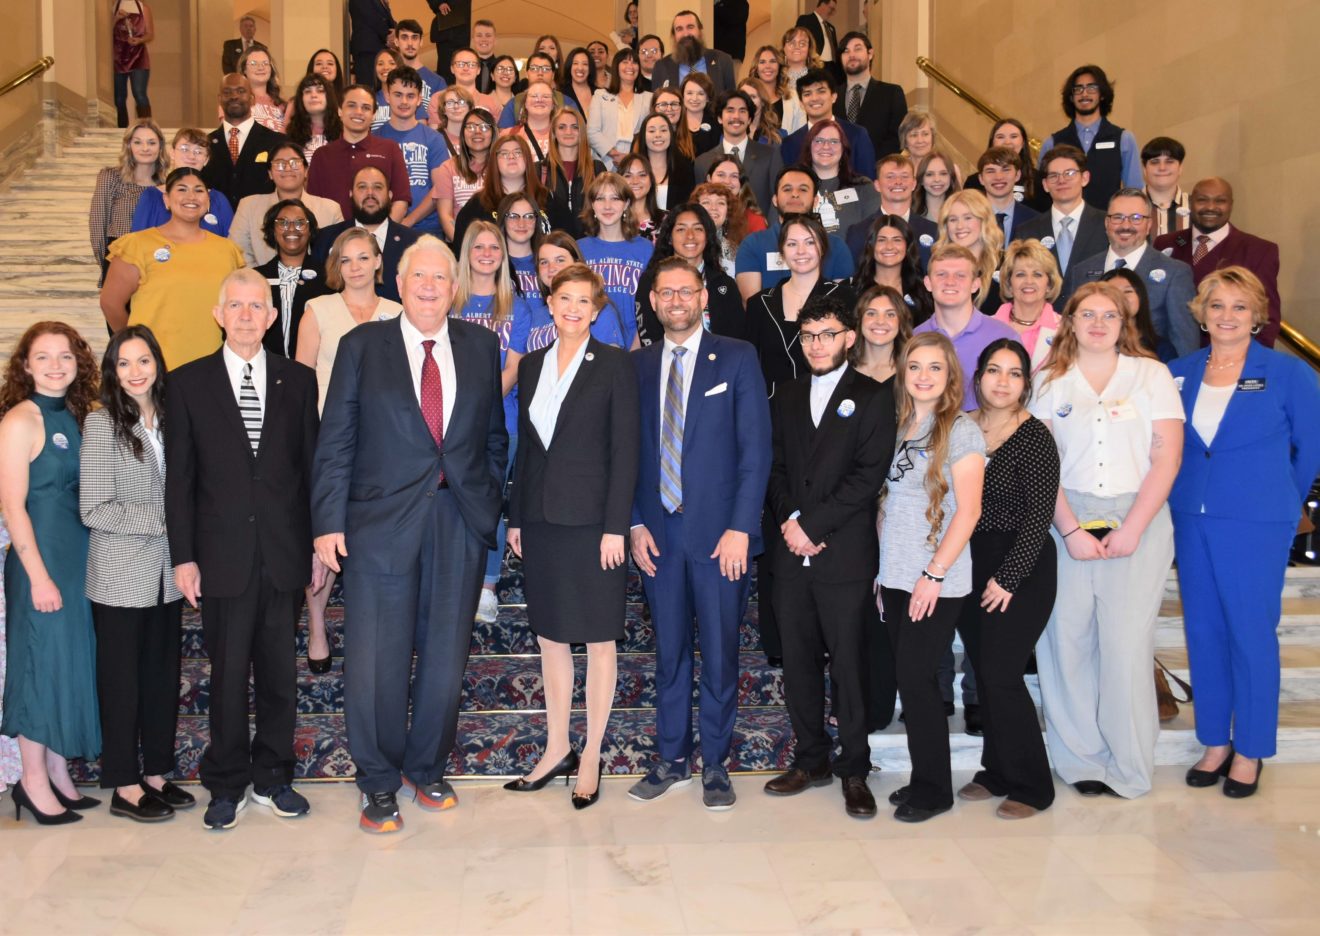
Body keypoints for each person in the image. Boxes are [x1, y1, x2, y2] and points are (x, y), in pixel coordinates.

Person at [312, 235, 508, 833]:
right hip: (379, 527)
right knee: (376, 659)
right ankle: (376, 780)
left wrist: (486, 501)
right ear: (400, 284)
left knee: (447, 657)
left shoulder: (480, 345)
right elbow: (336, 440)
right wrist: (327, 523)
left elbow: (494, 438)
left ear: (454, 288)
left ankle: (426, 766)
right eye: (418, 276)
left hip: (458, 523)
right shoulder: (360, 345)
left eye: (439, 277)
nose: (429, 286)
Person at [165, 268, 320, 830]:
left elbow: (312, 472)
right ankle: (225, 783)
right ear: (219, 313)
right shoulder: (186, 384)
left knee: (279, 674)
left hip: (282, 554)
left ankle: (274, 777)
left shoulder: (299, 382)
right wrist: (183, 556)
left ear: (273, 315)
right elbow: (178, 481)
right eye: (237, 305)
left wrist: (316, 545)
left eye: (258, 305)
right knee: (227, 677)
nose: (248, 315)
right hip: (220, 557)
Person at [1169, 267, 1320, 799]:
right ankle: (1214, 740)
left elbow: (1311, 450)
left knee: (1251, 634)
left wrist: (1279, 500)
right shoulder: (1178, 372)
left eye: (1238, 306)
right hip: (1190, 518)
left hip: (1257, 523)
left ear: (1257, 316)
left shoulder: (1287, 373)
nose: (1226, 315)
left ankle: (1251, 748)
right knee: (1204, 630)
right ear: (1201, 313)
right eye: (1216, 305)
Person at [625, 256, 770, 809]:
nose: (677, 301)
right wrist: (635, 522)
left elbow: (755, 452)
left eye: (687, 291)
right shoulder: (636, 367)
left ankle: (715, 764)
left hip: (718, 539)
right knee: (669, 653)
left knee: (720, 650)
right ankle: (671, 759)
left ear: (704, 297)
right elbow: (629, 453)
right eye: (667, 293)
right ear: (654, 302)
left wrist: (740, 528)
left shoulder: (736, 357)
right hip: (658, 534)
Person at [1029, 280, 1184, 799]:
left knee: (1125, 647)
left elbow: (1166, 458)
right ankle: (1080, 762)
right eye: (1087, 314)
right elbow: (1041, 463)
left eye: (1109, 316)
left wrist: (1133, 528)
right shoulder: (1050, 380)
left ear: (1125, 324)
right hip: (1065, 517)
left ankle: (1130, 765)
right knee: (1065, 645)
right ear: (1069, 321)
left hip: (1136, 516)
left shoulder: (1152, 375)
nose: (1098, 324)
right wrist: (1069, 529)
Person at [500, 262, 637, 808]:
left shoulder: (614, 366)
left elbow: (625, 452)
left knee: (599, 639)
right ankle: (556, 746)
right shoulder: (531, 366)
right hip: (540, 520)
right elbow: (528, 451)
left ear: (597, 309)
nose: (574, 308)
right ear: (549, 303)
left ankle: (591, 753)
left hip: (593, 525)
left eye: (585, 300)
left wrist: (615, 528)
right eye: (565, 298)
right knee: (550, 638)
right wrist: (515, 517)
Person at [762, 293, 893, 819]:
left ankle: (854, 768)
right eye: (809, 335)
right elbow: (772, 468)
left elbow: (868, 476)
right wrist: (791, 522)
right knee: (798, 662)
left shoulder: (875, 395)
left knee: (849, 666)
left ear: (849, 338)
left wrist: (813, 526)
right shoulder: (786, 395)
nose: (817, 345)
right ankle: (810, 758)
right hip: (791, 555)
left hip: (844, 555)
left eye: (828, 334)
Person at [80, 326, 193, 823]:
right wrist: (168, 521)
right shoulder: (102, 425)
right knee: (122, 683)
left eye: (143, 360)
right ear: (112, 370)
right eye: (123, 363)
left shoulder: (172, 420)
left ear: (157, 364)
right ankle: (125, 784)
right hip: (120, 575)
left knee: (161, 679)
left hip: (167, 577)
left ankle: (157, 775)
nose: (134, 372)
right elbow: (94, 509)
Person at [878, 330, 985, 822]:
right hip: (897, 574)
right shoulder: (898, 423)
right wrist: (884, 574)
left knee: (919, 680)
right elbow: (887, 505)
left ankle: (935, 789)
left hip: (935, 579)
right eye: (915, 366)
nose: (923, 376)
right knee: (909, 677)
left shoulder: (959, 429)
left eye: (934, 368)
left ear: (950, 376)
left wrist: (933, 574)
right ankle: (925, 777)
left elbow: (968, 511)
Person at [0, 323, 101, 825]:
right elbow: (13, 507)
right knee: (38, 667)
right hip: (38, 561)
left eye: (65, 356)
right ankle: (31, 781)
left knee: (64, 664)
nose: (56, 365)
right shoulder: (20, 419)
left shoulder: (80, 417)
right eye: (43, 357)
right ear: (25, 366)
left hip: (76, 555)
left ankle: (58, 772)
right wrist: (37, 576)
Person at [955, 339, 1060, 819]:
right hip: (969, 562)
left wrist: (1009, 578)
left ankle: (1032, 785)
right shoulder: (962, 428)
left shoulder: (1036, 436)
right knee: (983, 670)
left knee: (1001, 673)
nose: (1002, 381)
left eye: (1014, 373)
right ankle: (995, 771)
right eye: (994, 371)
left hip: (1023, 564)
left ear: (1025, 382)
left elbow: (1040, 518)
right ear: (978, 377)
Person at [294, 227, 402, 670]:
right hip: (330, 441)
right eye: (346, 259)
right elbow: (301, 383)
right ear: (336, 266)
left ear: (379, 262)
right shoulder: (317, 309)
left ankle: (370, 632)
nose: (355, 267)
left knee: (374, 543)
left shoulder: (400, 311)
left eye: (364, 257)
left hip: (386, 448)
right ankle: (317, 625)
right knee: (325, 539)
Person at [451, 223, 532, 624]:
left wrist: (475, 407)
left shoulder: (519, 306)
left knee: (490, 503)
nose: (486, 253)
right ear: (466, 253)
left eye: (493, 247)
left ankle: (486, 586)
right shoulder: (450, 300)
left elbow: (514, 369)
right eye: (478, 246)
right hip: (448, 425)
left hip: (504, 422)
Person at [102, 167, 246, 370]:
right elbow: (110, 303)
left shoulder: (227, 250)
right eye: (181, 189)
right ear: (166, 200)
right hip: (154, 369)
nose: (191, 196)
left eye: (199, 190)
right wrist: (133, 347)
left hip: (210, 366)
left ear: (208, 201)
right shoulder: (137, 244)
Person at [1062, 187, 1198, 360]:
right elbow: (1068, 335)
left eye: (1136, 218)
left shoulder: (1175, 273)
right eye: (1117, 217)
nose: (1126, 226)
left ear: (1149, 225)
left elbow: (1185, 345)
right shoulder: (1080, 271)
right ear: (1106, 223)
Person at [1154, 177, 1282, 348]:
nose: (1210, 207)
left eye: (1220, 201)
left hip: (1228, 357)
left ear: (1231, 204)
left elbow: (1267, 317)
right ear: (1191, 203)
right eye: (1202, 200)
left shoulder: (1259, 251)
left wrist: (1252, 365)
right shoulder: (1165, 244)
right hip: (1172, 358)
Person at [747, 213, 852, 398]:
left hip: (828, 406)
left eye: (810, 242)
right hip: (772, 410)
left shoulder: (845, 297)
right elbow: (750, 364)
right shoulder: (759, 303)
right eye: (792, 244)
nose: (801, 251)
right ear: (782, 252)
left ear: (822, 247)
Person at [913, 245, 1019, 410]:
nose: (950, 281)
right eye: (941, 274)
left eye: (960, 275)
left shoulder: (1005, 338)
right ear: (928, 283)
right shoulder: (914, 339)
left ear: (975, 284)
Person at [734, 166, 854, 300]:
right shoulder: (753, 244)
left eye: (803, 189)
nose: (795, 194)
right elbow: (751, 304)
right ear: (775, 200)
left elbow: (842, 304)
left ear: (815, 201)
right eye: (787, 189)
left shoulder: (836, 246)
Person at [635, 205, 746, 345]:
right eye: (681, 229)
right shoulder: (651, 281)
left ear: (707, 236)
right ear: (669, 237)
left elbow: (736, 339)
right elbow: (649, 335)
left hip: (718, 364)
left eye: (698, 229)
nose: (690, 236)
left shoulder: (724, 284)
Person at [312, 165, 422, 305]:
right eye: (362, 187)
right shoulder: (326, 238)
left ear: (389, 195)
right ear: (351, 194)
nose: (370, 193)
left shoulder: (414, 242)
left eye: (377, 187)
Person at [1039, 65, 1143, 209]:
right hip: (1064, 227)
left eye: (1091, 88)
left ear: (1102, 94)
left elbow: (1134, 193)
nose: (1084, 94)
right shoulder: (1052, 143)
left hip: (1107, 226)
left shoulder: (1124, 139)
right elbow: (1043, 195)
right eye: (1078, 89)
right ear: (1071, 97)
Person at [305, 84, 411, 222]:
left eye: (366, 108)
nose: (359, 112)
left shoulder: (390, 149)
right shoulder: (322, 155)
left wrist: (377, 235)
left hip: (379, 240)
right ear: (339, 111)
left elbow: (401, 201)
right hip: (333, 240)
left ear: (373, 116)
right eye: (351, 105)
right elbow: (313, 205)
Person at [230, 143, 343, 267]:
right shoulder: (249, 206)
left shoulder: (330, 209)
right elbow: (238, 254)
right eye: (279, 164)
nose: (288, 168)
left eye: (294, 162)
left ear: (306, 171)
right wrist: (261, 280)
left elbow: (337, 256)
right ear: (270, 173)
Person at [576, 171, 652, 349]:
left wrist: (638, 344)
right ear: (592, 205)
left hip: (635, 344)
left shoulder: (645, 249)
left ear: (626, 204)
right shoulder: (579, 248)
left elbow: (649, 304)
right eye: (600, 198)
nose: (607, 206)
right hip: (589, 343)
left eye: (615, 198)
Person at [1011, 145, 1108, 279]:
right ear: (1045, 184)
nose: (1061, 181)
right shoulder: (1026, 232)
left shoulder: (1107, 225)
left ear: (1085, 178)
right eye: (1053, 176)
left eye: (1069, 173)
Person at [375, 66, 451, 235]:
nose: (404, 102)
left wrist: (409, 221)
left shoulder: (433, 138)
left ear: (419, 99)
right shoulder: (375, 139)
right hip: (384, 228)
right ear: (387, 96)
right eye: (398, 95)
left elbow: (439, 188)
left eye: (410, 96)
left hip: (427, 229)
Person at [90, 119, 167, 285]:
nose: (145, 148)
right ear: (129, 146)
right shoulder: (110, 177)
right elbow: (97, 224)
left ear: (160, 147)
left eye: (151, 142)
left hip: (155, 263)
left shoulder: (167, 185)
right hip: (120, 258)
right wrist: (107, 264)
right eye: (138, 142)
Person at [452, 134, 556, 252]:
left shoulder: (547, 198)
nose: (511, 157)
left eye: (518, 152)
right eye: (504, 153)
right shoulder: (477, 204)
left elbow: (566, 242)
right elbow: (461, 250)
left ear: (528, 158)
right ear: (494, 162)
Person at [694, 90, 783, 225]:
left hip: (759, 235)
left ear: (749, 119)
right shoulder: (703, 162)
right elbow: (699, 206)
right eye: (730, 110)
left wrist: (769, 235)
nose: (736, 116)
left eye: (742, 111)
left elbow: (777, 199)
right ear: (719, 118)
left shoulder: (770, 156)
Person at [257, 199, 332, 359]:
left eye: (300, 223)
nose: (291, 228)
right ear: (272, 230)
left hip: (315, 373)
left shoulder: (329, 277)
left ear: (310, 230)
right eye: (282, 223)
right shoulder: (256, 278)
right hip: (266, 372)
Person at [130, 127, 234, 240]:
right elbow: (137, 243)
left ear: (206, 159)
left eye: (199, 151)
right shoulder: (151, 197)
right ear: (172, 153)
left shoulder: (218, 199)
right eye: (185, 149)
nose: (191, 156)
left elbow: (231, 245)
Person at [202, 74, 287, 211]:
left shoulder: (276, 142)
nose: (234, 96)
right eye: (227, 92)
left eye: (241, 91)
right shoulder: (205, 145)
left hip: (261, 226)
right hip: (216, 228)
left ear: (252, 99)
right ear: (219, 99)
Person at [843, 153, 940, 268]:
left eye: (904, 176)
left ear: (914, 184)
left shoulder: (934, 230)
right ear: (877, 185)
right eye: (890, 177)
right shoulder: (858, 232)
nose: (898, 182)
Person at [780, 70, 876, 178]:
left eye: (821, 91)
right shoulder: (789, 143)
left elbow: (868, 181)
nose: (815, 98)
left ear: (834, 96)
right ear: (801, 103)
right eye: (807, 94)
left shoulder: (857, 135)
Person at [795, 118, 878, 237]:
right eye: (819, 141)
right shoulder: (792, 187)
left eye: (834, 141)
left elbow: (874, 234)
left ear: (843, 148)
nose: (826, 146)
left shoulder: (864, 187)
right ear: (809, 146)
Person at [992, 239, 1063, 371]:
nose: (1029, 281)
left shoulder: (1065, 330)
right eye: (1020, 274)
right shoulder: (987, 327)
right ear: (1009, 283)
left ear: (1049, 284)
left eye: (1037, 274)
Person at [850, 214, 934, 326]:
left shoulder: (923, 291)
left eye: (897, 240)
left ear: (907, 246)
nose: (889, 246)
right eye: (881, 240)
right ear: (871, 246)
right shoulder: (854, 290)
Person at [834, 31, 906, 160]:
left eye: (857, 49)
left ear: (870, 54)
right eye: (846, 51)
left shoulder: (892, 93)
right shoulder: (831, 96)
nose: (851, 55)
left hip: (878, 171)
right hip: (837, 172)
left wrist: (872, 164)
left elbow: (898, 137)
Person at [935, 189, 1004, 313]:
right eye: (953, 219)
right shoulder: (938, 264)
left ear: (984, 220)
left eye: (968, 218)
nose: (960, 226)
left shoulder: (1006, 263)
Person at [433, 107, 492, 242]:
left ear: (493, 132)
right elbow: (445, 216)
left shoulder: (501, 166)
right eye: (470, 127)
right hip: (459, 243)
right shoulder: (448, 167)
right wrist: (464, 248)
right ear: (463, 133)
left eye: (484, 127)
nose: (477, 132)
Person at [586, 48, 651, 170]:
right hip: (605, 161)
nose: (630, 66)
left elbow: (649, 134)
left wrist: (630, 158)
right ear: (616, 66)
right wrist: (614, 154)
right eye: (625, 62)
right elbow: (592, 132)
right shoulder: (600, 95)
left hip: (637, 163)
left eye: (634, 62)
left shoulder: (649, 98)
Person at [965, 118, 1046, 211]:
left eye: (1014, 136)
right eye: (1000, 137)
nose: (1007, 142)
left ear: (1023, 142)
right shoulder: (974, 182)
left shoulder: (1039, 181)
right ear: (992, 142)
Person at [649, 10, 736, 96]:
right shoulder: (661, 67)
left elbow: (730, 102)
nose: (685, 34)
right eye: (679, 29)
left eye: (690, 27)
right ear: (674, 36)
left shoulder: (723, 61)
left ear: (700, 31)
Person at [544, 107, 601, 238]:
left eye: (575, 127)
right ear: (553, 132)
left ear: (582, 132)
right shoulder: (540, 170)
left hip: (590, 244)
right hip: (552, 245)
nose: (568, 132)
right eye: (562, 127)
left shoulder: (597, 169)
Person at [974, 147, 1040, 243]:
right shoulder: (969, 217)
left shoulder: (1035, 220)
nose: (998, 177)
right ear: (981, 179)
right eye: (991, 171)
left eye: (1006, 170)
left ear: (1017, 175)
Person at [633, 112, 695, 212]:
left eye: (663, 130)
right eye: (652, 131)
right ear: (643, 136)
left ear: (671, 134)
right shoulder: (632, 168)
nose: (658, 135)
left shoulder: (684, 169)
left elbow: (687, 207)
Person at [392, 18, 447, 120]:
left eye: (414, 38)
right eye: (404, 37)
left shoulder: (437, 82)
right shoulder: (388, 78)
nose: (410, 43)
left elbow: (441, 121)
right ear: (396, 41)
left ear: (421, 41)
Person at [112, 0, 154, 128]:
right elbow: (105, 31)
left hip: (138, 56)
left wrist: (139, 40)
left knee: (139, 93)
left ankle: (146, 127)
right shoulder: (114, 6)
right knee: (119, 97)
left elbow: (150, 34)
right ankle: (122, 129)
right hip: (118, 56)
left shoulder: (143, 7)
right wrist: (116, 18)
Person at [693, 181, 746, 277]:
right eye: (706, 202)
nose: (713, 208)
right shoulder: (686, 244)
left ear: (728, 213)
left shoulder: (737, 251)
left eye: (720, 203)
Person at [286, 73, 342, 164]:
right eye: (307, 91)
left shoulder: (344, 132)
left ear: (329, 97)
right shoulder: (291, 135)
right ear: (301, 99)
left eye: (320, 91)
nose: (313, 95)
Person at [749, 44, 805, 135]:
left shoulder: (793, 97)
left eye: (772, 61)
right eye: (762, 62)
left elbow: (801, 134)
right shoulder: (747, 97)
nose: (768, 66)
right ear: (756, 68)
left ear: (779, 66)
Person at [1102, 266, 1160, 354]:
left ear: (1140, 297)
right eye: (1112, 291)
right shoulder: (1092, 341)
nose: (1121, 297)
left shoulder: (1161, 348)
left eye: (1128, 291)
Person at [1141, 137, 1189, 240]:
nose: (1162, 168)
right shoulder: (1127, 207)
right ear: (1144, 169)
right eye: (1154, 162)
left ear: (1180, 168)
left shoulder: (1196, 208)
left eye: (1169, 161)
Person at [235, 46, 286, 133]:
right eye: (254, 63)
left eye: (265, 63)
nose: (261, 67)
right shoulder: (234, 101)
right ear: (244, 69)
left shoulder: (282, 104)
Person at [348, 0, 395, 87]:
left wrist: (397, 32)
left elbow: (390, 22)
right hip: (367, 53)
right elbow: (373, 19)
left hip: (380, 52)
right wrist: (389, 36)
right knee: (368, 91)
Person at [618, 154, 665, 241]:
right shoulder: (611, 220)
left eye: (642, 175)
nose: (635, 181)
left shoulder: (667, 220)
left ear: (651, 181)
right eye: (628, 176)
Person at [796, 0, 841, 83]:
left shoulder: (831, 28)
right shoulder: (806, 20)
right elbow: (799, 43)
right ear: (822, 4)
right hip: (814, 66)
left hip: (831, 69)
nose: (831, 12)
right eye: (831, 8)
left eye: (833, 10)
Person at [426, 0, 470, 84]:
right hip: (447, 26)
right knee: (447, 69)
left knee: (463, 68)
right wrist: (439, 3)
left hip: (464, 29)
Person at [680, 73, 720, 158]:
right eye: (689, 93)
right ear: (682, 95)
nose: (694, 98)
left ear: (708, 98)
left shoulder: (717, 123)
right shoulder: (675, 121)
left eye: (701, 94)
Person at [914, 150, 960, 224]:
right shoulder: (910, 214)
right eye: (929, 174)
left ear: (951, 178)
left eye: (943, 173)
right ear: (921, 180)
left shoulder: (963, 212)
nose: (937, 179)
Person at [561, 47, 598, 117]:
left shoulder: (600, 93)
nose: (580, 68)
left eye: (585, 64)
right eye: (575, 63)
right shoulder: (560, 94)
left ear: (590, 68)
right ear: (569, 67)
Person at [711, 0, 748, 66]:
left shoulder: (740, 3)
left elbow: (734, 17)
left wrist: (715, 8)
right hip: (714, 53)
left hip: (732, 54)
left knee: (730, 75)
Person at [471, 19, 499, 93]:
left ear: (495, 39)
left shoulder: (501, 68)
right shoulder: (465, 68)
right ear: (473, 39)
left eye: (488, 35)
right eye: (479, 35)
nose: (483, 39)